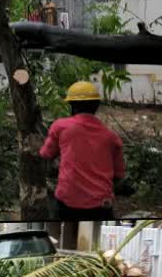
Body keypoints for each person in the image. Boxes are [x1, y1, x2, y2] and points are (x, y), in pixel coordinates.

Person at [39, 81, 126, 221]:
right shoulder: (111, 137)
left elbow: (45, 154)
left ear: (73, 106)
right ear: (96, 106)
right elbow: (119, 175)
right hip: (101, 204)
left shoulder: (60, 126)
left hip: (68, 200)